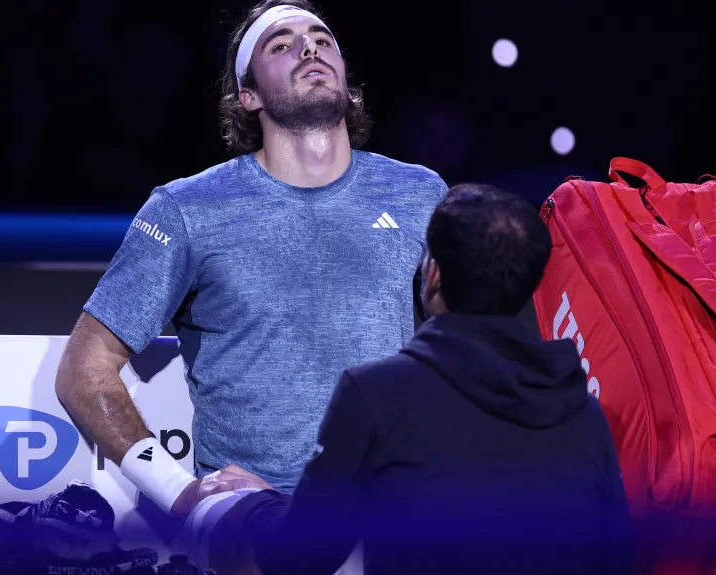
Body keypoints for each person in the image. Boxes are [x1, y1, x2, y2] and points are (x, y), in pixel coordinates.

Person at [54, 0, 448, 523]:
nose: (310, 47)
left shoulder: (420, 193)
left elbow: (465, 346)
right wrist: (177, 491)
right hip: (261, 525)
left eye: (322, 40)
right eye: (281, 45)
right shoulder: (187, 208)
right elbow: (84, 369)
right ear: (249, 96)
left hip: (399, 515)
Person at [191, 183, 635, 575]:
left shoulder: (377, 395)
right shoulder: (582, 411)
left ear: (434, 273)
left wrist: (253, 505)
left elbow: (300, 557)